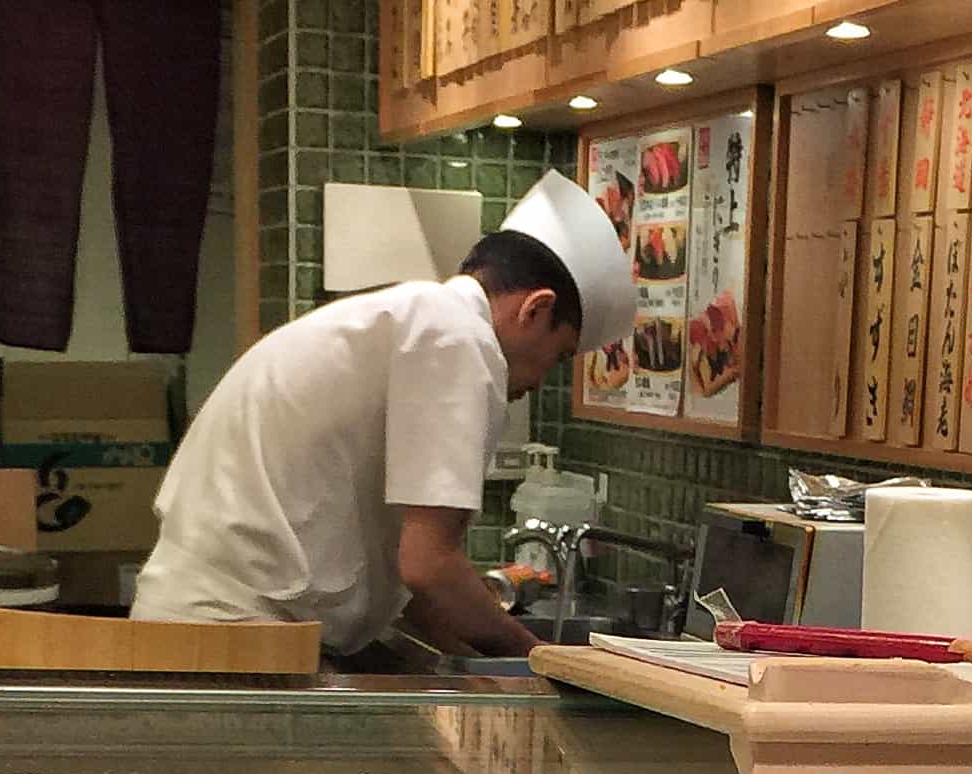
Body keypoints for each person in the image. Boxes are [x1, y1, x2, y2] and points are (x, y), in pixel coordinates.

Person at [132, 169, 631, 659]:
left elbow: (413, 584)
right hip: (232, 641)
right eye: (559, 355)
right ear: (536, 311)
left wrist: (489, 658)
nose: (541, 381)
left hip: (203, 628)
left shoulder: (413, 319)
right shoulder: (458, 338)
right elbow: (429, 566)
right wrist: (544, 659)